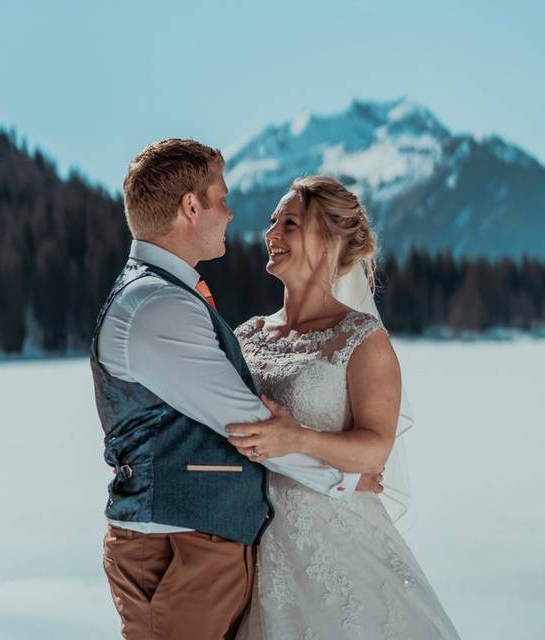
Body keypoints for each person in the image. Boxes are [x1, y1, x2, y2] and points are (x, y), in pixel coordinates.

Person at [90, 140, 382, 640]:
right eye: (222, 199)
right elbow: (248, 425)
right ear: (190, 207)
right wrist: (346, 480)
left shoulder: (166, 296)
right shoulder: (160, 306)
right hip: (179, 550)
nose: (231, 214)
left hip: (208, 547)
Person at [226, 176, 461, 639]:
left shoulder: (361, 340)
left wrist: (297, 439)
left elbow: (375, 451)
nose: (270, 235)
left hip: (336, 549)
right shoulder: (246, 336)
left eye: (289, 223)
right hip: (248, 550)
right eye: (272, 222)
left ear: (329, 239)